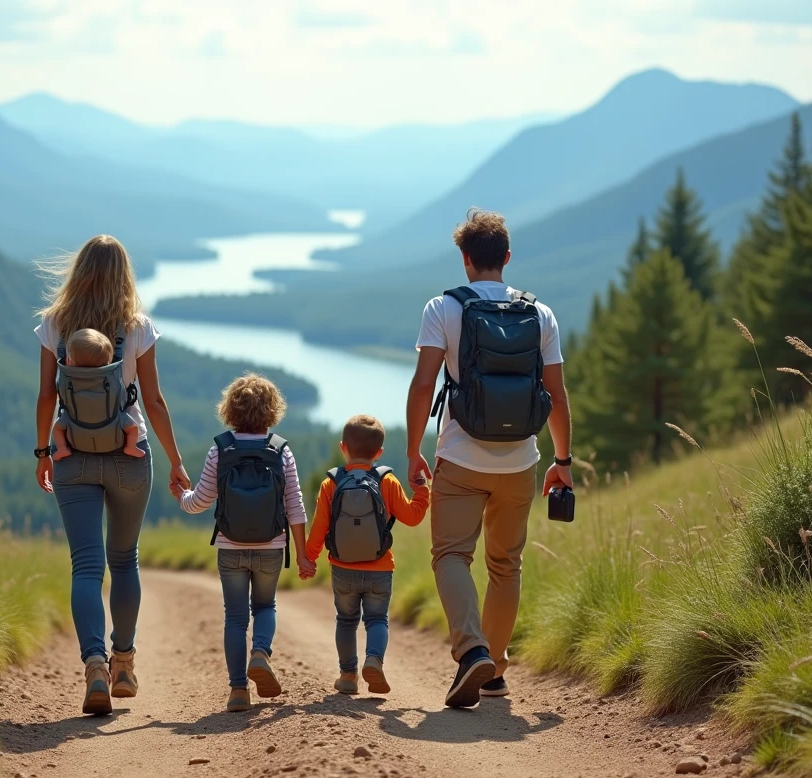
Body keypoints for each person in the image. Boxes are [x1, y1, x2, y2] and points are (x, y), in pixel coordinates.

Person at [405, 209, 573, 708]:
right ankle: (494, 669)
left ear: (464, 260)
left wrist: (414, 450)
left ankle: (471, 649)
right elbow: (557, 397)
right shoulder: (540, 314)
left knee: (451, 556)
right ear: (506, 258)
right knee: (506, 565)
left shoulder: (442, 308)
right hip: (520, 460)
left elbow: (422, 385)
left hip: (460, 457)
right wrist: (562, 460)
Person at [34, 234, 191, 716]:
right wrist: (175, 460)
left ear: (77, 271)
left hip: (72, 457)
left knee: (86, 565)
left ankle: (95, 667)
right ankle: (124, 662)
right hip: (129, 456)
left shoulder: (54, 325)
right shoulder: (136, 327)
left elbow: (45, 396)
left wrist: (44, 451)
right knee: (124, 560)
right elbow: (154, 402)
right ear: (125, 275)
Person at [174, 374, 309, 712]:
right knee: (265, 607)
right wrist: (304, 555)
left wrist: (180, 495)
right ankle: (260, 653)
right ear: (272, 410)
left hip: (230, 547)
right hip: (272, 545)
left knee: (235, 618)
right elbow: (295, 506)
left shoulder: (220, 448)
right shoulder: (281, 450)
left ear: (230, 409)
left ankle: (238, 691)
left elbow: (199, 502)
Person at [302, 414, 429, 695]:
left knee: (346, 621)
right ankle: (374, 660)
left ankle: (348, 675)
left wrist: (309, 559)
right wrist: (422, 491)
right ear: (379, 452)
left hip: (342, 567)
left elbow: (320, 528)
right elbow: (412, 516)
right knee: (377, 620)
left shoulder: (331, 484)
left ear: (342, 447)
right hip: (380, 568)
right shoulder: (387, 481)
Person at [51, 328, 143, 461]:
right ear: (108, 362)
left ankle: (62, 449)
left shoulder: (68, 377)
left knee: (57, 427)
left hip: (75, 429)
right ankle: (130, 447)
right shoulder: (110, 376)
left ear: (69, 361)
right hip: (113, 426)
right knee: (133, 428)